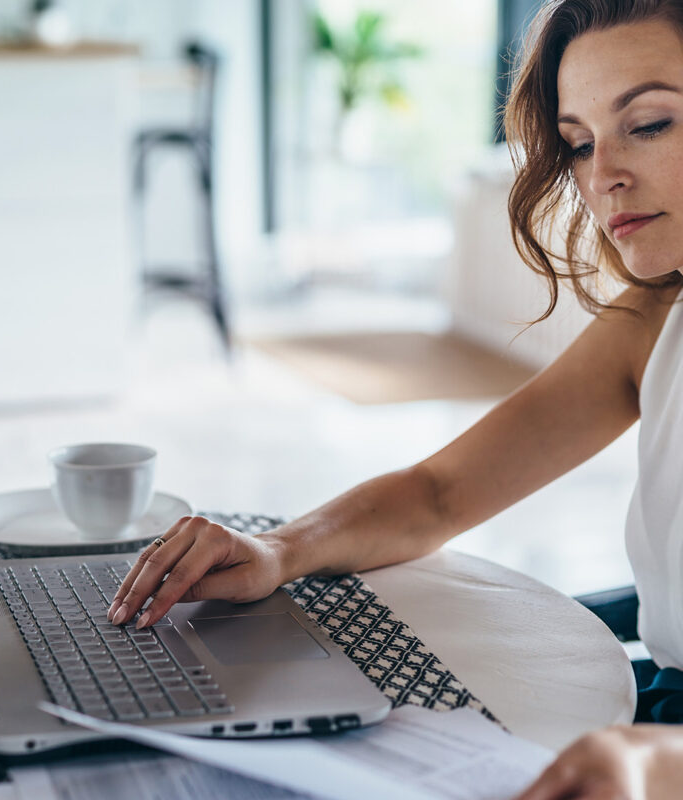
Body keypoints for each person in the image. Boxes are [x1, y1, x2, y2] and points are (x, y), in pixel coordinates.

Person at [109, 1, 683, 796]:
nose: (601, 175)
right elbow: (440, 492)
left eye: (650, 124)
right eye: (580, 143)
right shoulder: (654, 321)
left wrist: (659, 764)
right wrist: (280, 549)